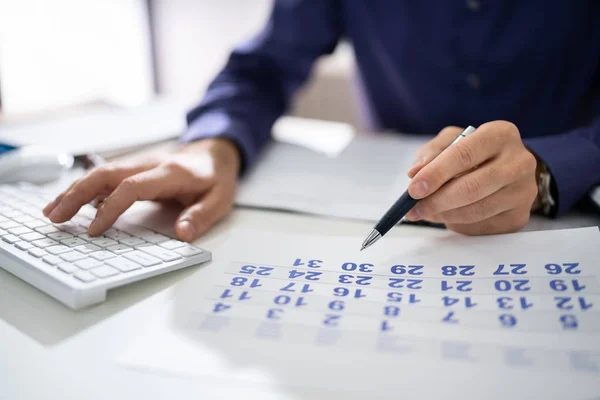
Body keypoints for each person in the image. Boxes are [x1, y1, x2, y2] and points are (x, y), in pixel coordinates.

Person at [44, 1, 600, 241]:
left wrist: (551, 169)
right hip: (381, 208)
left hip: (572, 221)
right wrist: (213, 143)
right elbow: (263, 67)